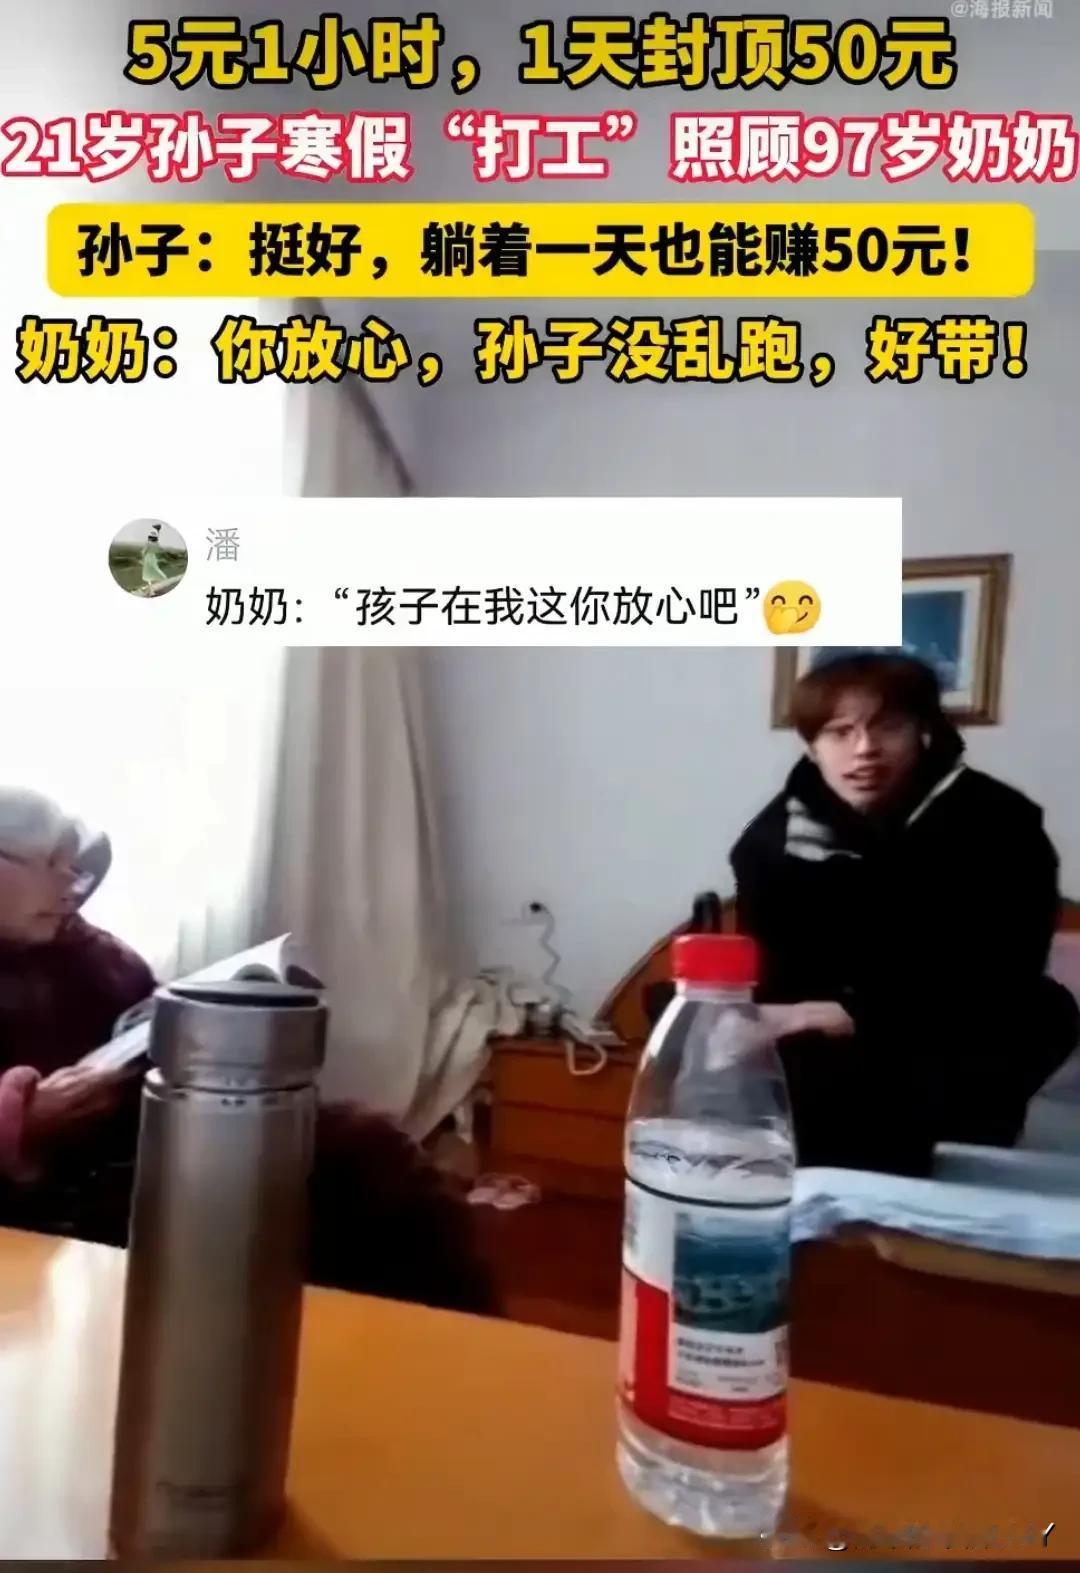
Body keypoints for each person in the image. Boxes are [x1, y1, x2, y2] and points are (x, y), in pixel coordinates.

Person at [0, 787, 498, 1315]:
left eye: (73, 866)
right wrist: (25, 1120)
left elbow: (148, 1022)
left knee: (369, 1153)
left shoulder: (82, 949)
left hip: (148, 1139)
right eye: (50, 865)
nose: (71, 885)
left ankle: (461, 1345)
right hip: (53, 1187)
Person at [729, 654, 1079, 1177]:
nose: (864, 749)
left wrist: (842, 1012)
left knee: (1043, 1012)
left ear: (923, 733)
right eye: (839, 732)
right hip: (824, 1055)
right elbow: (774, 978)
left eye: (888, 726)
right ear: (812, 745)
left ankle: (933, 1167)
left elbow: (1000, 973)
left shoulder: (1000, 823)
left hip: (950, 1031)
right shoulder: (770, 842)